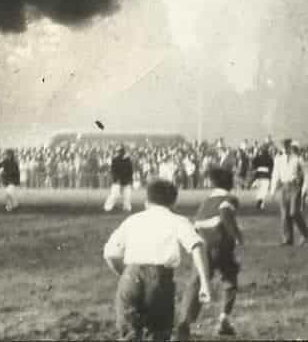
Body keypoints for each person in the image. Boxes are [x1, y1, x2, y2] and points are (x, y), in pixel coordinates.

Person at [103, 178, 212, 342]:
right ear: (173, 203)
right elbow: (196, 246)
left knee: (128, 334)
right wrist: (204, 282)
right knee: (158, 333)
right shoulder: (177, 220)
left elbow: (110, 253)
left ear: (147, 201)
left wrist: (125, 274)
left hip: (131, 275)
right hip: (159, 278)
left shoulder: (132, 220)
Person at [176, 167, 244, 340]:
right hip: (221, 245)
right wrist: (237, 237)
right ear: (230, 183)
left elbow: (196, 224)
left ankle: (185, 322)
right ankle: (224, 319)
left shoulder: (206, 201)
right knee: (230, 278)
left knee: (197, 281)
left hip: (203, 247)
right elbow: (226, 215)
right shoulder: (229, 199)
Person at [270, 139, 308, 245]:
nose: (286, 149)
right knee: (284, 215)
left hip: (294, 187)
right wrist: (272, 190)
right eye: (284, 147)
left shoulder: (298, 159)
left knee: (294, 212)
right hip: (283, 187)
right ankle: (288, 240)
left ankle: (306, 234)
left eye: (288, 146)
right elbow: (275, 174)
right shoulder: (278, 159)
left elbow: (306, 174)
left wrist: (304, 189)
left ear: (291, 147)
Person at [105, 145, 135, 213]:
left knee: (127, 196)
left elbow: (130, 171)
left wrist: (130, 180)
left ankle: (127, 208)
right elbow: (113, 171)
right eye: (118, 152)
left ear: (123, 152)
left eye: (120, 152)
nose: (119, 153)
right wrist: (116, 179)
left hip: (125, 180)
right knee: (115, 195)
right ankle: (107, 207)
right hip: (117, 180)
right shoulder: (115, 160)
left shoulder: (128, 160)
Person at [250, 142, 274, 209]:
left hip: (258, 175)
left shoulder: (257, 157)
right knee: (263, 190)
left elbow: (253, 166)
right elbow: (271, 168)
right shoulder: (270, 158)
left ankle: (260, 201)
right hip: (266, 176)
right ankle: (261, 202)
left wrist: (254, 175)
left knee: (259, 190)